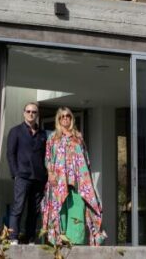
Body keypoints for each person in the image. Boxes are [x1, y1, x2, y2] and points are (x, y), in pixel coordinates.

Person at [40, 107, 105, 246]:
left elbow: (86, 159)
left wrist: (88, 181)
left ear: (71, 118)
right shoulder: (53, 137)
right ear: (58, 119)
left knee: (78, 207)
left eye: (68, 116)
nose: (65, 118)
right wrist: (50, 174)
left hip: (78, 181)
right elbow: (48, 158)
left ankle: (76, 240)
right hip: (59, 180)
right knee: (60, 209)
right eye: (62, 116)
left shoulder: (78, 136)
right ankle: (59, 239)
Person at [6, 102, 47, 244]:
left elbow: (46, 156)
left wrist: (46, 175)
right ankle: (13, 238)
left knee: (34, 211)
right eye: (28, 111)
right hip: (22, 176)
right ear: (24, 113)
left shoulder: (43, 134)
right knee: (18, 207)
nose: (31, 114)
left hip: (39, 177)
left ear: (37, 115)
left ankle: (30, 238)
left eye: (34, 112)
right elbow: (10, 154)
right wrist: (15, 174)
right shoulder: (15, 131)